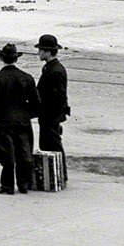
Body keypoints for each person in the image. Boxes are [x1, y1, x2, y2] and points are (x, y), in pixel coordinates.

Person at [0, 42, 39, 193]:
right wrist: (27, 115)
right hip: (22, 120)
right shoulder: (27, 78)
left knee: (7, 155)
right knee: (23, 152)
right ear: (16, 59)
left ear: (1, 59)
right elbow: (36, 103)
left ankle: (7, 186)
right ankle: (24, 185)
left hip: (3, 122)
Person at [34, 33, 70, 173]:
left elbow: (59, 96)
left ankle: (60, 173)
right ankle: (55, 173)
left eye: (41, 51)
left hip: (50, 115)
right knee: (48, 144)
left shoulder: (55, 70)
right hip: (48, 115)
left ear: (48, 52)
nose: (38, 53)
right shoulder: (51, 67)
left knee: (53, 145)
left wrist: (56, 115)